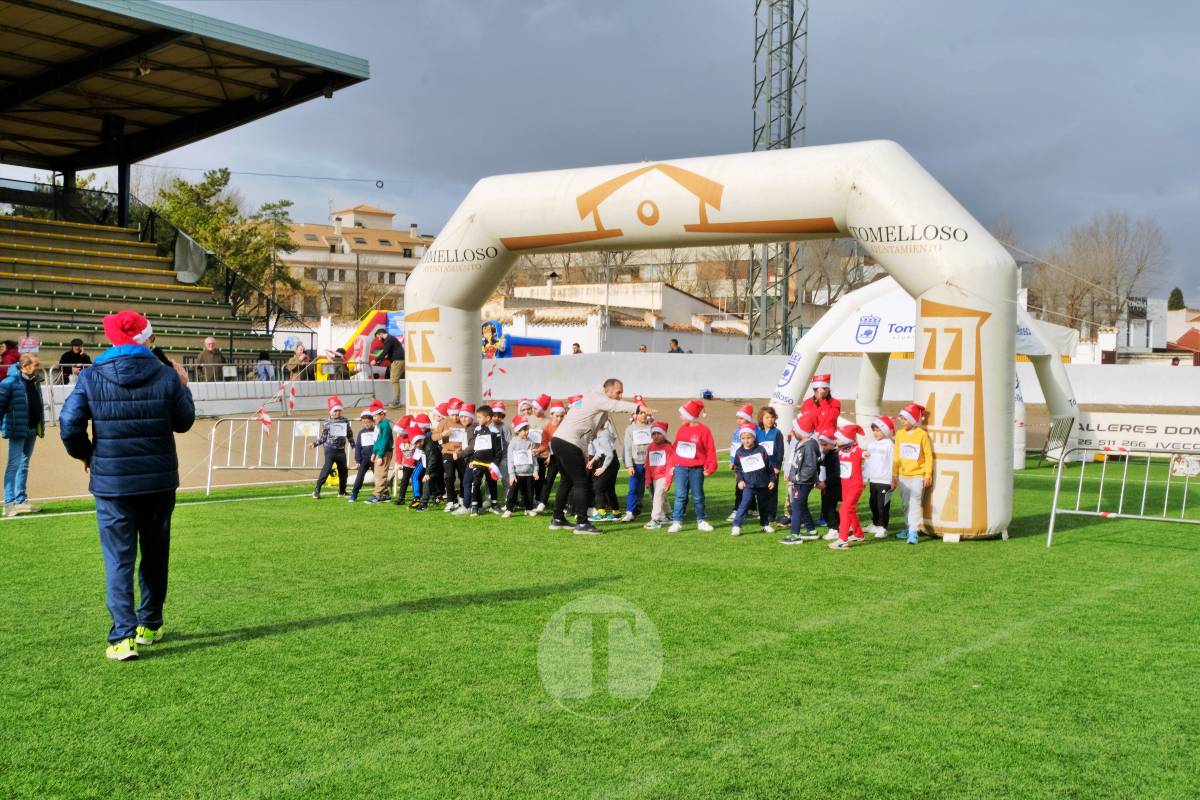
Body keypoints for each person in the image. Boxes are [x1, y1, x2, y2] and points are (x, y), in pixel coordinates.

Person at [59, 310, 195, 661]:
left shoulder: (91, 377)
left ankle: (123, 637)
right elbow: (183, 422)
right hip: (158, 480)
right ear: (146, 339)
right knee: (154, 553)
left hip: (113, 483)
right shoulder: (166, 375)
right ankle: (149, 624)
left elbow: (69, 424)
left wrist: (86, 454)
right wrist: (183, 386)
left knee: (119, 558)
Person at [549, 379, 650, 535]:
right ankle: (582, 523)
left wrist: (583, 455)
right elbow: (616, 406)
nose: (620, 395)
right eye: (618, 392)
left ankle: (557, 519)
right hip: (568, 442)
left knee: (567, 480)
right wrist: (638, 407)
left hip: (559, 441)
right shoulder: (597, 398)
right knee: (581, 482)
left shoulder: (597, 406)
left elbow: (587, 436)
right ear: (607, 390)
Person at [0, 353, 44, 517]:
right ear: (25, 366)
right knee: (14, 465)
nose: (38, 367)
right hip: (17, 429)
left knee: (24, 464)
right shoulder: (9, 382)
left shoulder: (34, 380)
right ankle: (9, 504)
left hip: (32, 428)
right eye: (35, 364)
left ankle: (20, 500)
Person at [668, 399, 717, 533]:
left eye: (682, 415)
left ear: (690, 416)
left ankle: (701, 520)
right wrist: (673, 465)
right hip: (680, 468)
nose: (680, 417)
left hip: (696, 469)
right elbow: (675, 448)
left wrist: (710, 467)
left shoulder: (704, 431)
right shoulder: (681, 429)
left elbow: (710, 450)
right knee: (680, 496)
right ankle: (677, 521)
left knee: (698, 496)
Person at [892, 402, 933, 545]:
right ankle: (908, 527)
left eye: (905, 419)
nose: (902, 422)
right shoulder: (899, 434)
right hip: (903, 476)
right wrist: (894, 475)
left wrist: (927, 474)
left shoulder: (922, 435)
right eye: (901, 419)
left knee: (914, 503)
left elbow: (928, 455)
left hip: (918, 476)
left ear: (914, 419)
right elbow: (896, 456)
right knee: (905, 504)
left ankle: (914, 532)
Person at [780, 414, 822, 544]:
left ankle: (795, 534)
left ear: (803, 431)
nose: (793, 431)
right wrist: (792, 478)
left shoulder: (809, 446)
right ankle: (811, 531)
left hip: (803, 482)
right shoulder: (801, 443)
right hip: (799, 481)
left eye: (795, 429)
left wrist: (797, 478)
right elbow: (796, 463)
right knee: (801, 505)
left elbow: (810, 467)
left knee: (796, 505)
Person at [730, 423, 776, 537]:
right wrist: (740, 480)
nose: (746, 441)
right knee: (744, 503)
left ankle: (765, 524)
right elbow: (738, 468)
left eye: (749, 438)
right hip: (748, 484)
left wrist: (772, 480)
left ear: (754, 438)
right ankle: (737, 526)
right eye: (743, 438)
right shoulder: (739, 452)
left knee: (763, 505)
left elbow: (769, 466)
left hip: (762, 483)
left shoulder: (761, 449)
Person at [455, 403, 497, 516]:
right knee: (475, 483)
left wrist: (460, 454)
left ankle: (467, 506)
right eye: (461, 416)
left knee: (467, 482)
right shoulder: (472, 428)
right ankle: (478, 506)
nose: (463, 419)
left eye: (465, 416)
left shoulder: (473, 429)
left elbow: (473, 447)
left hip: (475, 461)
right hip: (475, 460)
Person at [829, 425, 867, 549]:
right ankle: (858, 534)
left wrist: (866, 454)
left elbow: (863, 453)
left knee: (844, 510)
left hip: (855, 485)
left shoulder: (857, 451)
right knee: (850, 510)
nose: (836, 441)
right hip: (845, 486)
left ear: (847, 439)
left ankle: (842, 539)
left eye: (839, 439)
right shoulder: (840, 450)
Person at [310, 396, 352, 499]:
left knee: (343, 471)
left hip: (341, 451)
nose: (337, 413)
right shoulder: (327, 423)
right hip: (330, 450)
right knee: (327, 469)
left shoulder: (345, 421)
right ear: (330, 412)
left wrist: (353, 443)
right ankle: (317, 490)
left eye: (338, 410)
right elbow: (323, 438)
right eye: (335, 411)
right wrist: (315, 444)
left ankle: (342, 491)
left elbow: (349, 433)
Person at [865, 416, 895, 539]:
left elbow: (893, 462)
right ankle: (875, 524)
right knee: (873, 503)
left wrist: (894, 479)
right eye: (874, 430)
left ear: (886, 431)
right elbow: (867, 463)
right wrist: (864, 478)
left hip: (885, 481)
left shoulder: (889, 445)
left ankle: (883, 527)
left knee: (882, 505)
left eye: (878, 430)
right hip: (873, 480)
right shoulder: (871, 445)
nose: (875, 433)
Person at [727, 404, 758, 523]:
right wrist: (732, 461)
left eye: (741, 418)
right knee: (740, 485)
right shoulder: (736, 431)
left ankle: (751, 508)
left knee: (753, 484)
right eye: (737, 418)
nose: (738, 420)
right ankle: (738, 508)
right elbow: (734, 447)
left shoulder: (755, 429)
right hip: (740, 462)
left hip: (751, 462)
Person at [504, 415, 540, 517]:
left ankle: (528, 508)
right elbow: (510, 460)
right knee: (513, 492)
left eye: (527, 429)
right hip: (517, 474)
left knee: (529, 493)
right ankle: (509, 509)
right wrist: (512, 474)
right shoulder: (513, 443)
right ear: (517, 431)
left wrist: (535, 470)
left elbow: (534, 458)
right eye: (524, 429)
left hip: (529, 473)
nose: (527, 431)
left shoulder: (531, 442)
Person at [622, 405, 653, 522]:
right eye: (640, 413)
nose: (643, 415)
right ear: (635, 415)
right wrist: (629, 465)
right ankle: (630, 512)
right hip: (636, 464)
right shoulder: (630, 429)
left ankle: (658, 512)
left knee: (653, 489)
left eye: (645, 413)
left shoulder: (652, 428)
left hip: (650, 464)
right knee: (634, 488)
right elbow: (628, 448)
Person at [642, 420, 675, 529]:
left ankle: (655, 519)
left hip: (664, 476)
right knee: (662, 496)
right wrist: (647, 479)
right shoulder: (650, 447)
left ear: (664, 435)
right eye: (654, 434)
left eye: (659, 433)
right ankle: (668, 516)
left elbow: (670, 465)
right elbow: (647, 464)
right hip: (654, 477)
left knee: (657, 496)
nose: (656, 436)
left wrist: (668, 481)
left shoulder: (668, 448)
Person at [757, 406, 785, 526]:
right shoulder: (759, 433)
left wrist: (777, 466)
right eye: (767, 417)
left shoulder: (777, 433)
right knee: (762, 491)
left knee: (772, 491)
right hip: (761, 468)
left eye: (772, 417)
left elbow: (780, 451)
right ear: (761, 419)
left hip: (772, 468)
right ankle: (763, 512)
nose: (770, 420)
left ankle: (771, 515)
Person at [588, 419, 620, 521]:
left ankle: (601, 512)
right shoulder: (599, 435)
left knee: (598, 487)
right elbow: (600, 451)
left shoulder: (603, 436)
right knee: (609, 488)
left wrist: (603, 468)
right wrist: (592, 461)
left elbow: (609, 455)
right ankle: (616, 512)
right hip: (609, 461)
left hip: (609, 462)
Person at [365, 400, 393, 504]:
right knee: (378, 473)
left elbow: (384, 441)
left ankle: (376, 495)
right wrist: (374, 452)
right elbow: (377, 440)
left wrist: (380, 455)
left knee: (380, 474)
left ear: (382, 414)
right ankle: (385, 494)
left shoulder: (385, 425)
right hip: (379, 452)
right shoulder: (379, 424)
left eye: (376, 416)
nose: (374, 418)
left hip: (384, 452)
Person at [817, 425, 842, 540]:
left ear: (834, 443)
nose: (822, 448)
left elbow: (837, 474)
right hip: (827, 487)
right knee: (826, 508)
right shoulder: (827, 455)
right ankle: (841, 525)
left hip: (834, 487)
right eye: (821, 445)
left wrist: (826, 483)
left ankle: (834, 529)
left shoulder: (836, 456)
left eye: (825, 445)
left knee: (829, 508)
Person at [348, 409, 375, 503]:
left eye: (368, 422)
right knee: (359, 476)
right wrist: (358, 460)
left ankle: (383, 493)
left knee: (378, 476)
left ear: (373, 422)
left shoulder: (376, 431)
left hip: (375, 458)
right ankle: (354, 494)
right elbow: (358, 446)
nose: (366, 424)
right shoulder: (361, 433)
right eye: (364, 422)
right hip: (364, 459)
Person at [373, 328, 405, 407]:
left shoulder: (389, 339)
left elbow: (385, 352)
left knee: (394, 380)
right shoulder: (391, 339)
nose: (378, 339)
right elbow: (388, 354)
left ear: (380, 334)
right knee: (394, 380)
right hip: (398, 360)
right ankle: (396, 400)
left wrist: (376, 360)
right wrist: (379, 361)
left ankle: (396, 401)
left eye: (378, 337)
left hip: (397, 361)